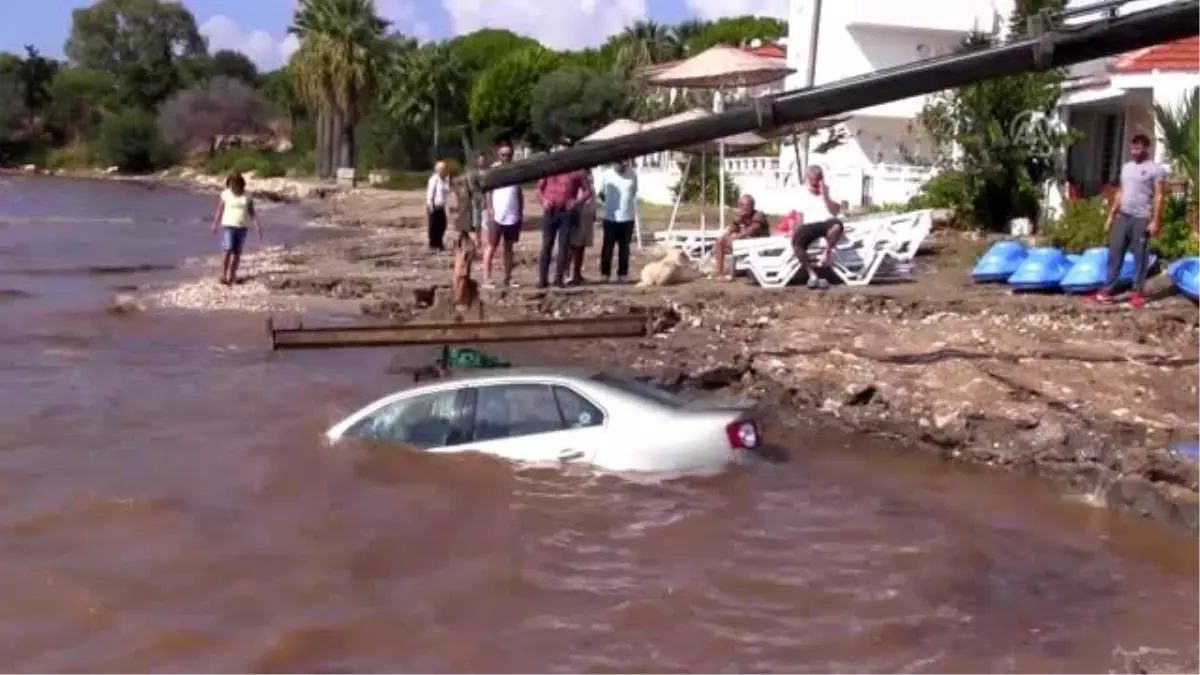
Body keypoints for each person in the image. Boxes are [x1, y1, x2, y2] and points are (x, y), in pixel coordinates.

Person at [1090, 133, 1166, 308]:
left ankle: (1137, 293)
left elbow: (1159, 196)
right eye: (1132, 148)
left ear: (1146, 148)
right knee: (1115, 253)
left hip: (1142, 218)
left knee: (1140, 256)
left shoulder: (1155, 169)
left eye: (1138, 148)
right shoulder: (1126, 168)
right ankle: (1106, 291)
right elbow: (1120, 192)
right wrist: (1111, 215)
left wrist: (1156, 221)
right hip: (1123, 216)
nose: (1134, 151)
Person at [536, 146, 593, 289]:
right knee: (546, 246)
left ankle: (559, 278)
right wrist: (543, 201)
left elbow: (588, 191)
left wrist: (576, 201)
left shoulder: (576, 171)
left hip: (566, 212)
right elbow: (538, 190)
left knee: (564, 247)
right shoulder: (549, 169)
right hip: (550, 211)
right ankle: (542, 279)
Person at [790, 164, 845, 289]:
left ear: (822, 179)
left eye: (818, 180)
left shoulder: (830, 190)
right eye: (812, 181)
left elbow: (835, 212)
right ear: (808, 180)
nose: (815, 184)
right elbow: (798, 216)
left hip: (826, 223)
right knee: (797, 241)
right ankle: (812, 274)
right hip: (809, 226)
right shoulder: (801, 192)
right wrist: (795, 230)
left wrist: (825, 195)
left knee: (837, 225)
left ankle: (827, 252)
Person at [210, 171, 263, 286]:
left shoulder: (247, 195)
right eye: (230, 184)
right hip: (228, 225)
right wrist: (215, 224)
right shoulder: (225, 194)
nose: (232, 187)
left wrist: (257, 226)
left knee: (237, 252)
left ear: (240, 184)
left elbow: (252, 212)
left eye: (234, 184)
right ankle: (223, 275)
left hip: (242, 227)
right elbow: (220, 209)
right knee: (228, 249)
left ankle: (232, 276)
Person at [484, 140, 523, 288]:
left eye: (509, 155)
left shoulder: (516, 170)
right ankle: (487, 277)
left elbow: (518, 191)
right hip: (497, 214)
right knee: (491, 246)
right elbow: (488, 191)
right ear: (499, 155)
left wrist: (520, 210)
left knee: (509, 248)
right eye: (503, 155)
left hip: (513, 214)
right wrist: (490, 209)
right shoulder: (495, 170)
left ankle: (508, 277)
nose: (506, 157)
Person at [596, 160, 638, 283]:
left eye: (623, 163)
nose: (620, 165)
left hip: (627, 217)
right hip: (611, 217)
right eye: (618, 163)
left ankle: (623, 273)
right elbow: (601, 193)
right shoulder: (606, 174)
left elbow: (634, 192)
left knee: (624, 248)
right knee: (608, 247)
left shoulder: (632, 174)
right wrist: (609, 205)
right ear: (613, 163)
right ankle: (605, 273)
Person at [714, 194, 771, 279]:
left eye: (748, 205)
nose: (745, 208)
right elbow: (731, 230)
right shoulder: (739, 218)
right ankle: (719, 272)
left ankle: (731, 275)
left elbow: (753, 229)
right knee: (721, 241)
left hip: (760, 245)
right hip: (747, 244)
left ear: (752, 206)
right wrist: (728, 235)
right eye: (743, 205)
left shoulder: (758, 215)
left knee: (735, 243)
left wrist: (738, 236)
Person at [568, 171, 597, 285]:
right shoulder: (576, 174)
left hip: (588, 215)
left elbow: (592, 195)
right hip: (578, 214)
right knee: (573, 246)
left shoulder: (589, 174)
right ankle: (568, 274)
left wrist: (593, 213)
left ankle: (577, 274)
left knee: (581, 247)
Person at [425, 161, 450, 251]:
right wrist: (430, 206)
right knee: (433, 226)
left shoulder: (446, 180)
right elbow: (430, 193)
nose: (444, 171)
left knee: (442, 225)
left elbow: (447, 193)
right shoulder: (434, 179)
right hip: (434, 206)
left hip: (442, 206)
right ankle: (433, 244)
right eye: (442, 170)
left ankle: (439, 242)